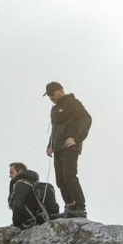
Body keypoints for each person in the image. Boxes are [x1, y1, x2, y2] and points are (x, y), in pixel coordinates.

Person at [44, 81, 92, 218]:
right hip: (58, 147)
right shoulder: (54, 109)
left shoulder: (72, 102)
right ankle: (70, 207)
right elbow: (55, 128)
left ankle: (80, 208)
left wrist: (77, 138)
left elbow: (87, 119)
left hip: (70, 146)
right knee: (60, 180)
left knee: (69, 176)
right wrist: (50, 145)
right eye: (49, 96)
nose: (51, 98)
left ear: (60, 90)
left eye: (52, 95)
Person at [8, 162, 59, 229]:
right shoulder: (36, 184)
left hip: (30, 223)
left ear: (20, 171)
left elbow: (17, 205)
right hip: (43, 220)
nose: (10, 175)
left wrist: (16, 224)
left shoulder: (21, 183)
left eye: (12, 172)